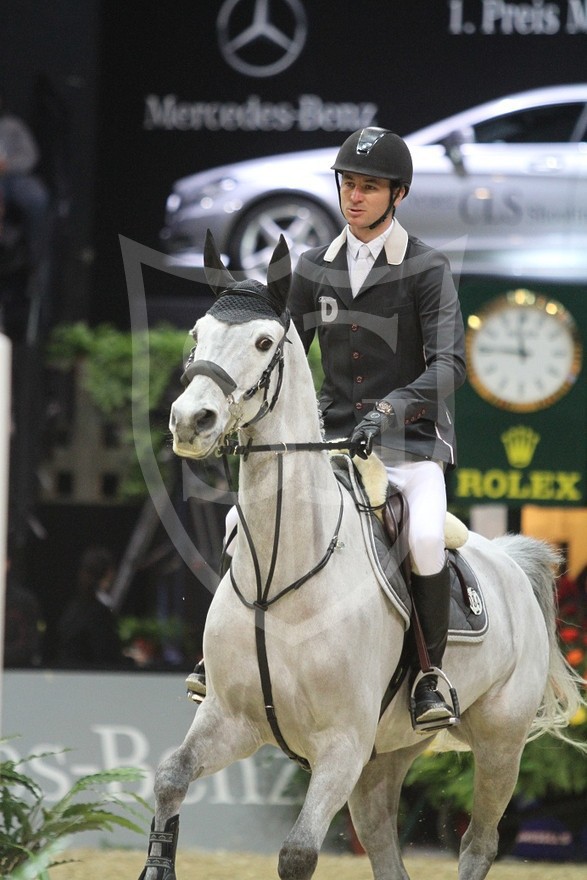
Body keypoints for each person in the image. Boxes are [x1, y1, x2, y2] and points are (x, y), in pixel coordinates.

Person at [187, 128, 466, 731]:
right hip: (334, 443)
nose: (355, 196)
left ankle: (429, 675)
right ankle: (222, 656)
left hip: (408, 446)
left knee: (421, 537)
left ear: (398, 194)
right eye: (348, 184)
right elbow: (278, 353)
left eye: (369, 186)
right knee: (244, 518)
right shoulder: (314, 269)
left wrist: (389, 412)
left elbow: (450, 366)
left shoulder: (426, 269)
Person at [56, 545, 134, 668]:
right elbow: (107, 657)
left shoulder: (73, 608)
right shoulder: (99, 614)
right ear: (108, 574)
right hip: (89, 678)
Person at [0, 90, 50, 269]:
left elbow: (30, 155)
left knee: (37, 197)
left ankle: (34, 253)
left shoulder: (13, 125)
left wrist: (8, 166)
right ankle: (6, 241)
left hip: (15, 177)